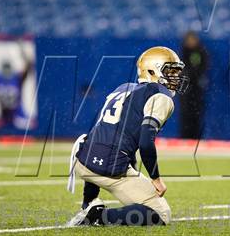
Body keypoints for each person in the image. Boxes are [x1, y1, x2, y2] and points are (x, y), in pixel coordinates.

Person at [67, 46, 189, 226]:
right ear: (152, 71)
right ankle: (98, 217)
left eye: (177, 72)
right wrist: (156, 179)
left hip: (82, 159)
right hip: (110, 167)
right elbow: (146, 142)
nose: (176, 77)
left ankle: (89, 204)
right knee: (161, 214)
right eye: (170, 71)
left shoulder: (124, 88)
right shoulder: (160, 95)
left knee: (105, 147)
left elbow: (105, 134)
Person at [0, 43, 32, 129]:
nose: (6, 70)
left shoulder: (17, 78)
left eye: (8, 67)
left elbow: (28, 67)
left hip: (19, 118)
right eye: (5, 68)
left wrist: (23, 52)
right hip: (5, 120)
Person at [180, 31, 209, 139]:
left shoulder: (200, 51)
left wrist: (191, 75)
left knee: (196, 114)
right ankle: (185, 137)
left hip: (196, 88)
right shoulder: (184, 51)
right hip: (186, 89)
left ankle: (196, 137)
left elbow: (202, 68)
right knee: (185, 114)